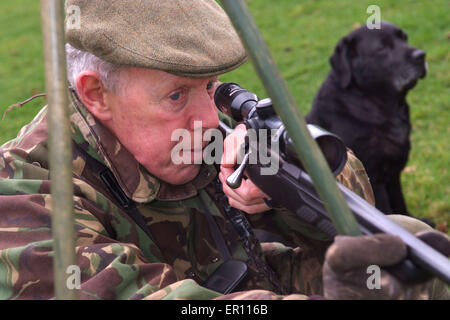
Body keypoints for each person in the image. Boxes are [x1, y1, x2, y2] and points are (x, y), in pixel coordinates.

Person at [0, 0, 448, 300]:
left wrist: (289, 183)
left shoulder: (200, 132)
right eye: (176, 95)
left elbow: (357, 212)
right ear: (96, 93)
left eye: (211, 86)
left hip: (254, 283)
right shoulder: (23, 197)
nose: (210, 120)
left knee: (404, 250)